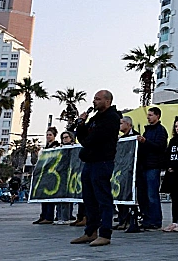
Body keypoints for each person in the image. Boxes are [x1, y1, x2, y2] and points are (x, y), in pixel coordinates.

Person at [71, 90, 120, 247]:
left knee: (103, 199)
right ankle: (90, 232)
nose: (94, 101)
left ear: (107, 101)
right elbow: (82, 136)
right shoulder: (95, 118)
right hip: (90, 162)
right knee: (89, 199)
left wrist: (84, 133)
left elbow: (90, 140)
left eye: (98, 99)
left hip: (102, 162)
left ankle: (105, 233)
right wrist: (81, 123)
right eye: (94, 99)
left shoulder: (111, 118)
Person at [136, 107, 168, 230]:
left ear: (157, 116)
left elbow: (160, 147)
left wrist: (146, 142)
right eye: (148, 115)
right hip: (144, 166)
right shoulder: (147, 131)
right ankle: (147, 218)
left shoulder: (160, 131)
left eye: (151, 115)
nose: (148, 117)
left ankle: (156, 220)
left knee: (152, 194)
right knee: (143, 195)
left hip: (153, 166)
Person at [114, 116, 138, 231]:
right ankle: (122, 220)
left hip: (131, 171)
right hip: (120, 172)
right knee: (120, 195)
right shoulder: (121, 139)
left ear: (129, 124)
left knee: (129, 196)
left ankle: (130, 220)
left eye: (122, 123)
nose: (120, 126)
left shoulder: (135, 136)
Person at [33, 127, 59, 224]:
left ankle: (49, 216)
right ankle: (43, 215)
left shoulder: (56, 145)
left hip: (52, 174)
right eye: (47, 134)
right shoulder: (46, 147)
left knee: (50, 196)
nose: (48, 136)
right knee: (44, 196)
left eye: (50, 135)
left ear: (54, 136)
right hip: (45, 174)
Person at [55, 131, 77, 224]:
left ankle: (65, 218)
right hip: (60, 176)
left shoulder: (74, 148)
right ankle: (59, 217)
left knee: (66, 199)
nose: (64, 139)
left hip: (70, 176)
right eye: (63, 138)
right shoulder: (61, 148)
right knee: (59, 198)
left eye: (66, 137)